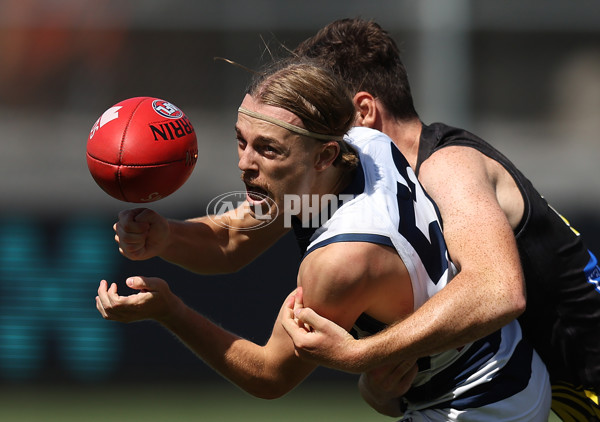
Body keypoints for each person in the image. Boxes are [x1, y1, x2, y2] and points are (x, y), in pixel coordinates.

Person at [97, 60, 551, 420]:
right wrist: (167, 235)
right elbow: (235, 239)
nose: (245, 164)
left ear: (324, 155)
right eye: (241, 141)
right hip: (505, 367)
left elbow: (269, 376)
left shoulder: (338, 262)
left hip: (475, 402)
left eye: (268, 149)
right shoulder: (364, 145)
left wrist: (169, 311)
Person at [280, 18, 600, 420]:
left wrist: (360, 354)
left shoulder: (446, 166)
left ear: (363, 111)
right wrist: (381, 387)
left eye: (322, 118)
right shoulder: (396, 197)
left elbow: (499, 291)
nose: (312, 139)